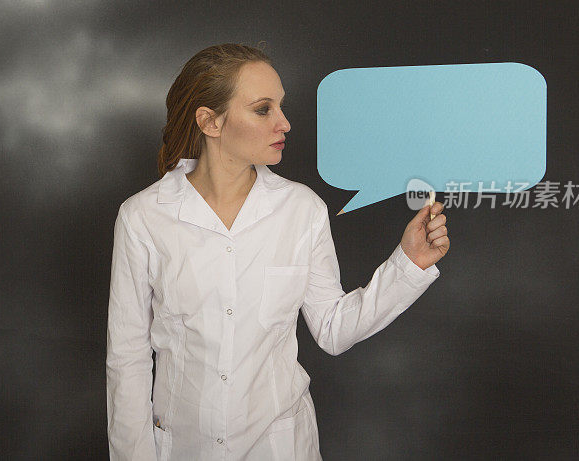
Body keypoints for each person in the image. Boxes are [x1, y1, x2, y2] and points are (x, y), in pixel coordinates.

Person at [106, 43, 450, 460]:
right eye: (263, 109)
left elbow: (334, 329)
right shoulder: (144, 217)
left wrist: (408, 264)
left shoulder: (301, 210)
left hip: (279, 447)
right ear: (210, 121)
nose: (284, 122)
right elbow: (128, 360)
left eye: (280, 107)